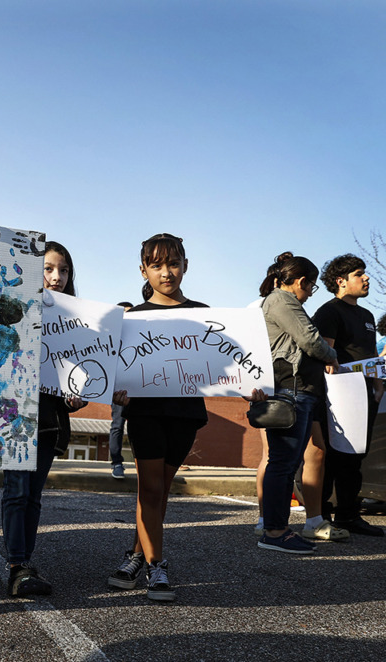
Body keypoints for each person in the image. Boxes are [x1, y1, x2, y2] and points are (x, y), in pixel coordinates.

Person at [107, 234, 259, 600]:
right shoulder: (132, 317)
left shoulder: (202, 312)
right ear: (143, 269)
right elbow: (116, 368)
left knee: (160, 492)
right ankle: (157, 566)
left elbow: (222, 361)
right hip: (144, 412)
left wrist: (248, 384)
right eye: (156, 265)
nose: (166, 272)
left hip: (186, 414)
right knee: (151, 488)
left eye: (173, 263)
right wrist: (117, 390)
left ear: (185, 265)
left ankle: (135, 555)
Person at [3, 240, 86, 596]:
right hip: (15, 419)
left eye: (64, 270)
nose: (57, 277)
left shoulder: (78, 322)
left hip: (50, 424)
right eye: (49, 269)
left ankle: (24, 561)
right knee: (17, 492)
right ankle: (17, 563)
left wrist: (77, 398)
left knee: (33, 497)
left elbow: (75, 380)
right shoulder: (13, 311)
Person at [257, 252, 338, 554]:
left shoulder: (279, 300)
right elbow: (310, 339)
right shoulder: (283, 300)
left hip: (298, 391)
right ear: (302, 281)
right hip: (290, 390)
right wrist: (331, 356)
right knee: (283, 463)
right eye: (311, 287)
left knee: (286, 463)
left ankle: (276, 529)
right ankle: (275, 531)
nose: (309, 295)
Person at [314, 254, 384, 536]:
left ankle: (348, 515)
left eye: (364, 273)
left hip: (365, 394)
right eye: (359, 274)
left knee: (356, 457)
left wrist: (378, 386)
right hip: (339, 395)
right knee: (333, 456)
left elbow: (371, 358)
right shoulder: (329, 312)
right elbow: (326, 356)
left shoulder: (367, 316)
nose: (366, 278)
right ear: (341, 281)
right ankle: (321, 515)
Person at [108, 301, 134, 480]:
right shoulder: (110, 336)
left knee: (138, 426)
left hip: (139, 389)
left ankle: (143, 463)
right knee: (118, 424)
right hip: (118, 388)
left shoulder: (140, 335)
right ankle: (117, 463)